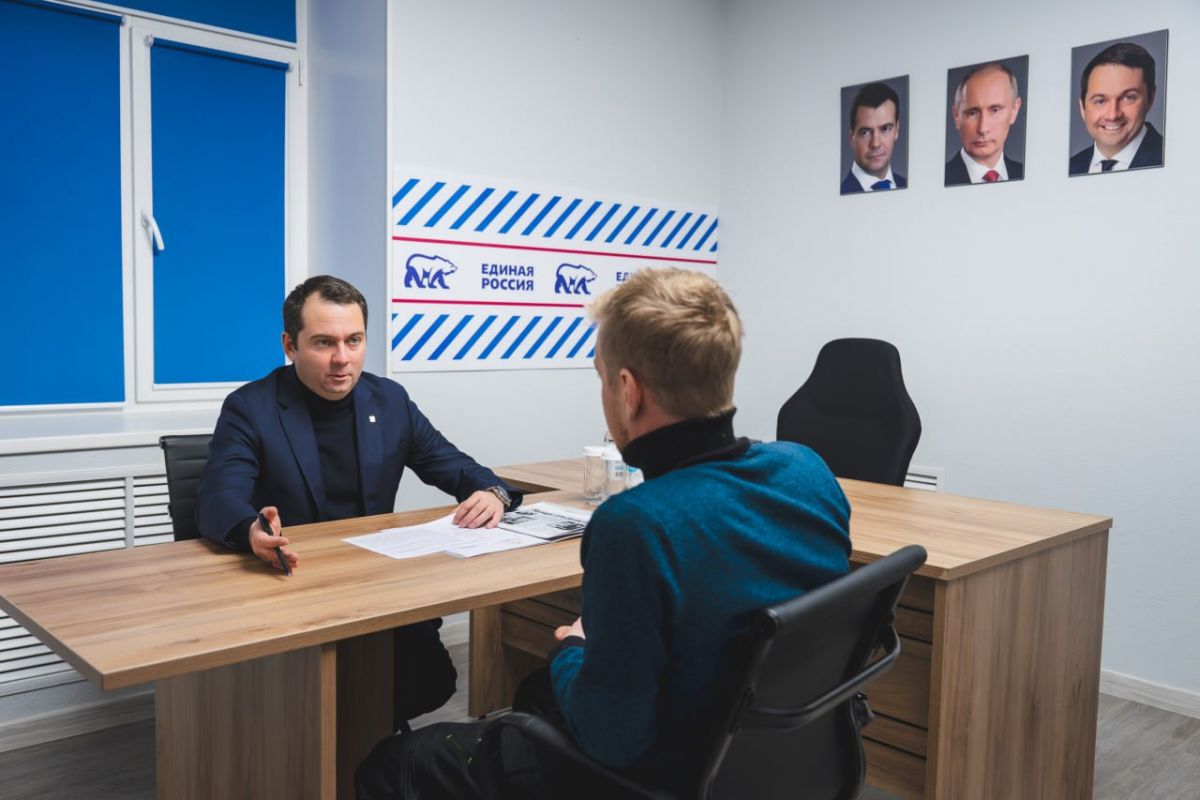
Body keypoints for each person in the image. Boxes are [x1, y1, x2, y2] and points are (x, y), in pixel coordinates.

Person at [355, 268, 852, 798]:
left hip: (665, 776)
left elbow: (611, 737)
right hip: (785, 760)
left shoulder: (638, 523)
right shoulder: (806, 469)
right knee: (535, 693)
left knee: (393, 763)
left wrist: (573, 646)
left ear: (628, 391)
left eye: (601, 377)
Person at [196, 274, 521, 728]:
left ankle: (364, 745)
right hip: (292, 586)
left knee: (429, 680)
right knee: (333, 700)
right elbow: (217, 496)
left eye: (354, 340)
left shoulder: (389, 400)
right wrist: (252, 530)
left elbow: (454, 464)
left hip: (373, 584)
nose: (342, 359)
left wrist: (492, 493)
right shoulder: (251, 407)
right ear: (289, 345)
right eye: (323, 343)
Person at [1070, 41, 1164, 175]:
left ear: (1151, 98)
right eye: (1100, 101)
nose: (1113, 115)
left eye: (1128, 98)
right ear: (1082, 107)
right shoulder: (1070, 167)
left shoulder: (1178, 158)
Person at [945, 63, 1025, 186]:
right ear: (956, 116)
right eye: (972, 113)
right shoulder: (939, 178)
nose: (982, 129)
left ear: (1014, 110)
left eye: (995, 110)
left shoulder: (1027, 174)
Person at [841, 82, 907, 194]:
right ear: (852, 138)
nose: (875, 143)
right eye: (865, 132)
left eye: (885, 129)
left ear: (896, 131)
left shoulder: (907, 184)